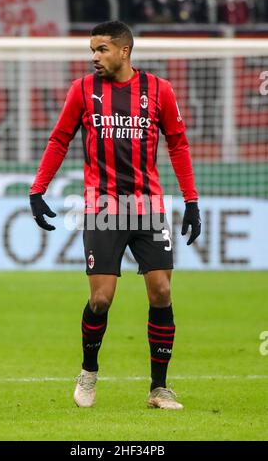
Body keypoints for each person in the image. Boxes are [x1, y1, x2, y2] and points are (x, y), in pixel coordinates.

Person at [29, 20, 201, 410]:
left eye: (102, 49)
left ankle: (159, 388)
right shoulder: (82, 91)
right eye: (92, 49)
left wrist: (191, 201)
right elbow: (59, 139)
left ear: (125, 51)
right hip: (102, 207)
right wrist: (37, 189)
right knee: (102, 299)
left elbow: (178, 145)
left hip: (149, 207)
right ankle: (88, 371)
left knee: (161, 291)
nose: (94, 57)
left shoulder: (159, 90)